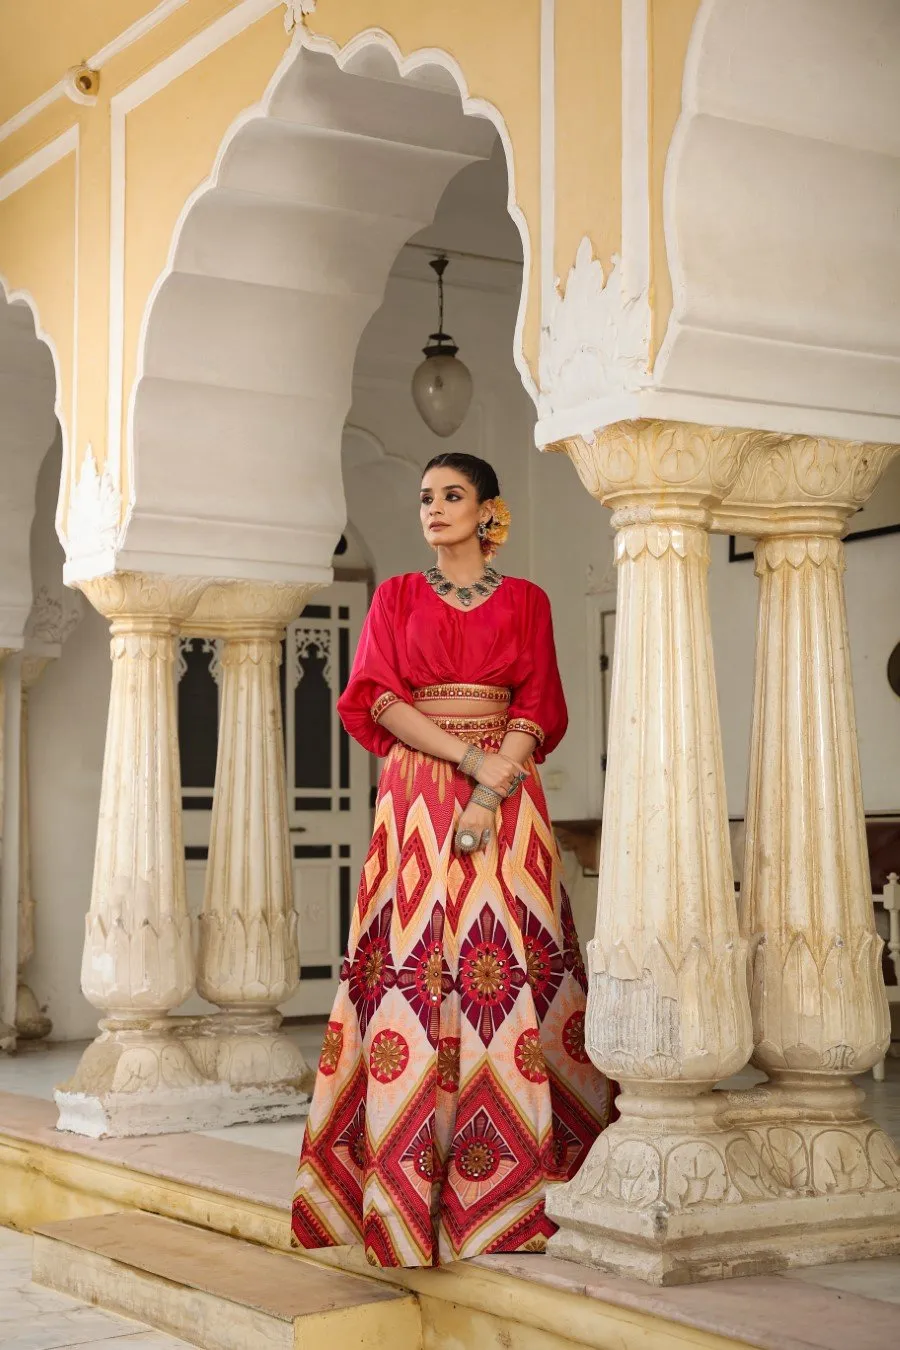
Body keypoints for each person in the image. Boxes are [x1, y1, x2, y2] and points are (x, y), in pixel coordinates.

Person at [291, 452, 613, 1268]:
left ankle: (517, 1189)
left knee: (506, 965)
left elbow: (539, 699)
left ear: (488, 511)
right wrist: (470, 767)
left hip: (509, 795)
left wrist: (495, 780)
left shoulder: (528, 601)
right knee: (411, 966)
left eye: (453, 496)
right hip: (416, 794)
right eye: (426, 497)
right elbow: (378, 696)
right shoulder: (397, 596)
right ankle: (403, 1198)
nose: (434, 509)